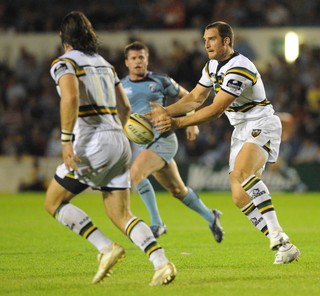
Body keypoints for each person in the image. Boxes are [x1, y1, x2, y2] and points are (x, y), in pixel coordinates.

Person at [148, 21, 300, 264]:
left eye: (212, 39)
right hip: (241, 129)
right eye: (205, 39)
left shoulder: (239, 67)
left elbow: (216, 109)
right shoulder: (212, 66)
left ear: (226, 41)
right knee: (239, 197)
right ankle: (286, 246)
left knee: (242, 172)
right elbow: (196, 98)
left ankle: (277, 232)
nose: (206, 44)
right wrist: (166, 112)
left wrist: (176, 124)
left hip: (262, 122)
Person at [44, 11, 176, 286]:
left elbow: (69, 97)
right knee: (120, 215)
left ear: (64, 38)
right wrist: (117, 137)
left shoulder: (63, 63)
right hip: (119, 138)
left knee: (53, 202)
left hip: (91, 141)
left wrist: (66, 140)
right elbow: (125, 107)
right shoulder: (105, 63)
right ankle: (161, 263)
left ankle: (106, 248)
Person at [121, 41, 224, 242]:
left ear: (147, 59)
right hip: (143, 144)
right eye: (133, 58)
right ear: (126, 62)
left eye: (141, 57)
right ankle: (211, 216)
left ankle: (157, 223)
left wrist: (192, 124)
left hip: (164, 139)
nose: (138, 62)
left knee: (136, 174)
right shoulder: (121, 86)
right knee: (178, 191)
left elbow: (188, 96)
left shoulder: (161, 80)